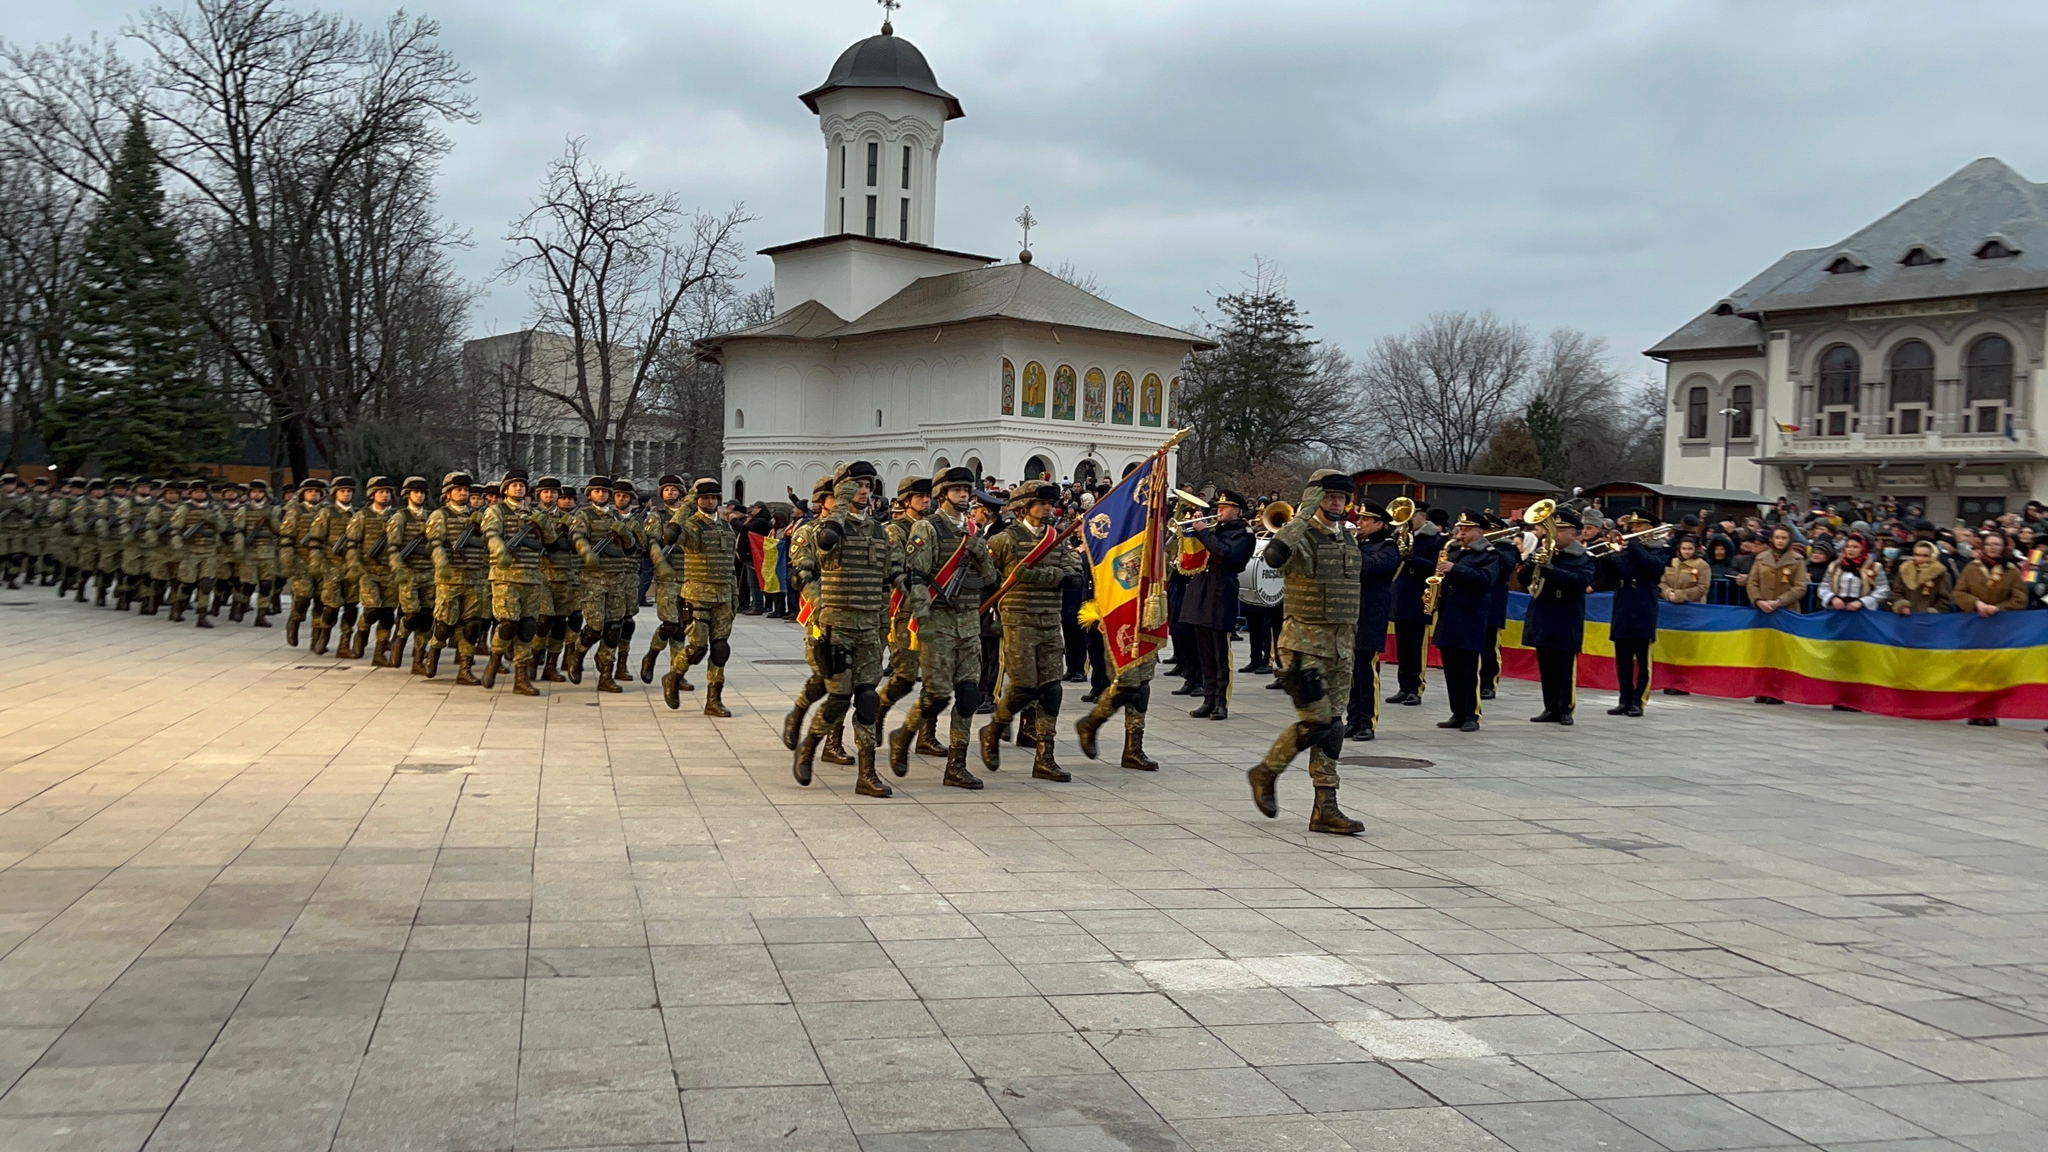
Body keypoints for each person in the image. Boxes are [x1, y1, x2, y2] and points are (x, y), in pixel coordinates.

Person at [1246, 469, 1366, 836]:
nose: (1336, 503)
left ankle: (1325, 807)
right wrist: (1302, 512)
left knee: (1333, 727)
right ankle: (1267, 771)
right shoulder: (1299, 536)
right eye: (1328, 497)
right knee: (1317, 721)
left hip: (1341, 646)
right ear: (1315, 498)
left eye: (1340, 498)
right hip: (1303, 644)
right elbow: (1273, 557)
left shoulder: (1348, 538)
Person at [794, 461, 902, 797]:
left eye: (868, 484)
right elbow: (816, 556)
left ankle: (867, 773)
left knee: (868, 699)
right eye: (856, 484)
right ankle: (809, 746)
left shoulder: (879, 531)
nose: (864, 490)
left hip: (870, 627)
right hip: (836, 626)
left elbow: (886, 580)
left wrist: (885, 623)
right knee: (839, 698)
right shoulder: (821, 529)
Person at [893, 466, 998, 787]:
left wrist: (981, 553)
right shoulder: (927, 528)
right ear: (942, 495)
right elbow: (917, 578)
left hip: (968, 622)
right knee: (937, 694)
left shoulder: (973, 530)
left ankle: (957, 765)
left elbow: (991, 579)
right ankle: (904, 734)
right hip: (938, 621)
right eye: (957, 490)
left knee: (968, 694)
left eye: (967, 490)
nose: (964, 495)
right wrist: (922, 619)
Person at [979, 480, 1084, 780]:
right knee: (1023, 687)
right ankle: (994, 728)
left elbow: (1074, 576)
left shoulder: (1058, 538)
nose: (1049, 508)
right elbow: (986, 575)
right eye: (1042, 503)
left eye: (1050, 503)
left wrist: (1036, 575)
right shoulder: (1005, 540)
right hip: (1018, 620)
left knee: (1052, 687)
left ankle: (1044, 756)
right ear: (1024, 507)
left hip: (1050, 621)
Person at [1518, 506, 1595, 725]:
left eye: (1561, 530)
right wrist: (1531, 562)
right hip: (1544, 613)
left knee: (1564, 666)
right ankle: (1550, 706)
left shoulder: (1583, 557)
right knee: (1546, 664)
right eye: (1554, 529)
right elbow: (1524, 580)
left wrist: (1551, 570)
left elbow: (1580, 582)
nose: (1556, 534)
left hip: (1566, 615)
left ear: (1574, 534)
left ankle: (1565, 708)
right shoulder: (1544, 552)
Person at [1181, 489, 1254, 720]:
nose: (1219, 511)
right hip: (1203, 586)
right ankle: (1208, 698)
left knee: (1220, 651)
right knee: (1204, 650)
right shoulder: (1215, 529)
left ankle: (1221, 702)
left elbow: (1227, 555)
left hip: (1223, 589)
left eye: (1224, 508)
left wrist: (1203, 533)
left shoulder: (1244, 534)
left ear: (1237, 511)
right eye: (1219, 507)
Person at [479, 468, 553, 695]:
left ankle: (521, 678)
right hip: (506, 576)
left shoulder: (535, 513)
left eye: (521, 485)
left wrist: (544, 524)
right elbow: (490, 534)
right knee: (508, 623)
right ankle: (495, 658)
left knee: (527, 627)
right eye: (514, 485)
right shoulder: (496, 511)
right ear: (506, 489)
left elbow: (550, 543)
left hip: (532, 576)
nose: (518, 488)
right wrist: (500, 550)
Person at [668, 478, 739, 715]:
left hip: (723, 595)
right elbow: (670, 534)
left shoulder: (727, 527)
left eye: (714, 498)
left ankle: (713, 700)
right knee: (697, 647)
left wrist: (734, 595)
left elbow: (730, 565)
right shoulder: (691, 526)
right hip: (697, 595)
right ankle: (674, 677)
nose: (710, 501)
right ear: (697, 501)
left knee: (720, 648)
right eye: (705, 498)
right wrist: (686, 503)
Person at [1431, 509, 1505, 733]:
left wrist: (1456, 569)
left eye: (1466, 529)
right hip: (1449, 616)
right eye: (1460, 528)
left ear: (1480, 531)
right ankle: (1457, 712)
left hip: (1471, 617)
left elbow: (1484, 580)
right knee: (1451, 669)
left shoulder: (1489, 554)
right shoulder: (1453, 551)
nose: (1460, 533)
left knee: (1469, 670)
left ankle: (1472, 714)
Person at [1956, 530, 2027, 727]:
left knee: (1995, 669)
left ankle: (1991, 710)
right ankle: (1975, 709)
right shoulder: (1972, 568)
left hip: (2000, 625)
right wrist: (1976, 603)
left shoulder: (2011, 571)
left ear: (2003, 547)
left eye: (1996, 544)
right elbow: (1959, 592)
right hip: (1976, 623)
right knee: (1976, 667)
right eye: (1989, 544)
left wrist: (1999, 608)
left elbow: (2019, 598)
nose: (1992, 548)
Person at [878, 476, 931, 733]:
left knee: (936, 679)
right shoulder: (895, 531)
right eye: (920, 496)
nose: (926, 500)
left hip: (935, 611)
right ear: (905, 501)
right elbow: (897, 570)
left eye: (928, 496)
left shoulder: (933, 528)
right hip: (906, 611)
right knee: (905, 676)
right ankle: (876, 713)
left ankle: (926, 734)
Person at [1345, 500, 1400, 741]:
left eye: (1365, 520)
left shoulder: (1388, 548)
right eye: (1359, 519)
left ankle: (1368, 722)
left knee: (1367, 673)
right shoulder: (1360, 544)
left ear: (1380, 523)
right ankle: (1353, 719)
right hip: (1351, 613)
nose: (1360, 524)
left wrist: (1349, 547)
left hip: (1371, 615)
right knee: (1350, 672)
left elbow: (1368, 567)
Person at [425, 472, 488, 683]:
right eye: (458, 489)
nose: (463, 493)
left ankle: (465, 669)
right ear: (448, 493)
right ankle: (433, 652)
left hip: (475, 578)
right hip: (450, 579)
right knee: (445, 625)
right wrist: (442, 564)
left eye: (465, 490)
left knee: (471, 626)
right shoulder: (440, 516)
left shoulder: (478, 516)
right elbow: (434, 543)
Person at [1604, 512, 1666, 718]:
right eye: (1633, 526)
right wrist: (1610, 553)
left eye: (1640, 526)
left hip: (1643, 604)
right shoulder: (1628, 548)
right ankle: (1624, 699)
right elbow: (1611, 574)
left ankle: (1639, 701)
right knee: (1623, 659)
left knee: (1642, 658)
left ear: (1651, 528)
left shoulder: (1658, 548)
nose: (1635, 530)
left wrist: (1635, 546)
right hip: (1623, 603)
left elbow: (1654, 569)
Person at [1386, 503, 1442, 707]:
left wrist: (1413, 559)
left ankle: (1415, 688)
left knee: (1417, 646)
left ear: (1422, 516)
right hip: (1401, 596)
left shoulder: (1434, 539)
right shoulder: (1398, 536)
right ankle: (1403, 686)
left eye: (1412, 516)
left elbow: (1435, 568)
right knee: (1402, 646)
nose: (1408, 521)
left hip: (1420, 597)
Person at [638, 475, 692, 687]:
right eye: (666, 490)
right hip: (668, 575)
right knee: (670, 623)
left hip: (689, 575)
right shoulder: (657, 516)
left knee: (682, 627)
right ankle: (651, 656)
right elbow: (652, 542)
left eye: (673, 490)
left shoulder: (691, 516)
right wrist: (660, 563)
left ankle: (676, 673)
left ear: (681, 492)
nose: (670, 493)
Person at [1746, 524, 1809, 705]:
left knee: (1781, 651)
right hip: (1762, 610)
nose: (1780, 541)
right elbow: (1753, 582)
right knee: (1762, 650)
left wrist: (1779, 601)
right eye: (1777, 537)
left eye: (1784, 538)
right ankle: (1761, 688)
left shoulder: (1797, 560)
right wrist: (1758, 600)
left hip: (1785, 610)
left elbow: (1800, 587)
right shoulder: (1761, 558)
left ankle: (1777, 690)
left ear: (1789, 540)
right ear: (1772, 539)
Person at [347, 477, 401, 664]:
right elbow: (352, 543)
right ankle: (360, 636)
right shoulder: (362, 516)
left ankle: (379, 652)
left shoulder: (396, 517)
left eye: (387, 492)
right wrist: (356, 566)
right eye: (381, 492)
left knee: (387, 615)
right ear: (372, 494)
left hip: (390, 573)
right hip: (368, 571)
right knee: (371, 610)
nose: (385, 495)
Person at [387, 476, 438, 672]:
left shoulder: (432, 517)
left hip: (429, 572)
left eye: (422, 492)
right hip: (409, 572)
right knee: (411, 614)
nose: (419, 495)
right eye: (416, 492)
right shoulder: (400, 518)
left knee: (426, 617)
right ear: (407, 494)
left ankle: (418, 658)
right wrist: (398, 568)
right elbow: (392, 547)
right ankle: (399, 640)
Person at [307, 475, 360, 656]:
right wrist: (318, 563)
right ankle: (323, 637)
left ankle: (344, 644)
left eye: (349, 491)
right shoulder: (327, 513)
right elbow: (316, 540)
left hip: (352, 567)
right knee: (331, 606)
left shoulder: (357, 514)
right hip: (332, 566)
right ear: (335, 493)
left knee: (352, 606)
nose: (346, 494)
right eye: (342, 491)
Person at [166, 479, 229, 628]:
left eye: (201, 491)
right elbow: (175, 528)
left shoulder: (214, 509)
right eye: (196, 492)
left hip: (209, 551)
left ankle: (202, 615)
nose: (199, 494)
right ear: (191, 493)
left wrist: (214, 520)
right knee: (188, 584)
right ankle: (178, 608)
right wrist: (177, 543)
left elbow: (223, 528)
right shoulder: (184, 508)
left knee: (206, 584)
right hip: (190, 551)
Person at [281, 478, 325, 643]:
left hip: (322, 561)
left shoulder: (326, 511)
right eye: (310, 491)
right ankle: (294, 622)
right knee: (303, 597)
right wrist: (288, 561)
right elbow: (287, 538)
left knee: (321, 600)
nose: (313, 494)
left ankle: (317, 635)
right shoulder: (295, 511)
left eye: (316, 492)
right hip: (301, 560)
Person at [1480, 513, 1520, 699]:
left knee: (1490, 647)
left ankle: (1490, 683)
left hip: (1494, 603)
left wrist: (1487, 547)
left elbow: (1507, 564)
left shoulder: (1507, 548)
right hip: (1475, 603)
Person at [1822, 533, 1888, 612]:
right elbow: (1824, 586)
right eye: (1848, 546)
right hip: (1836, 609)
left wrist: (1862, 602)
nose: (1850, 550)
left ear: (1863, 549)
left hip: (1862, 611)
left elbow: (1883, 589)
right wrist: (1832, 598)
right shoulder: (1835, 566)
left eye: (1855, 547)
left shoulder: (1874, 567)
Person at [1661, 537, 1711, 605]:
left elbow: (1702, 588)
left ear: (1695, 550)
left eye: (1690, 549)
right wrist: (1668, 593)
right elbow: (1662, 582)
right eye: (1683, 548)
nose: (1686, 552)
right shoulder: (1672, 562)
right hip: (1670, 604)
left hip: (1693, 606)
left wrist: (1679, 596)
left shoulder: (1702, 565)